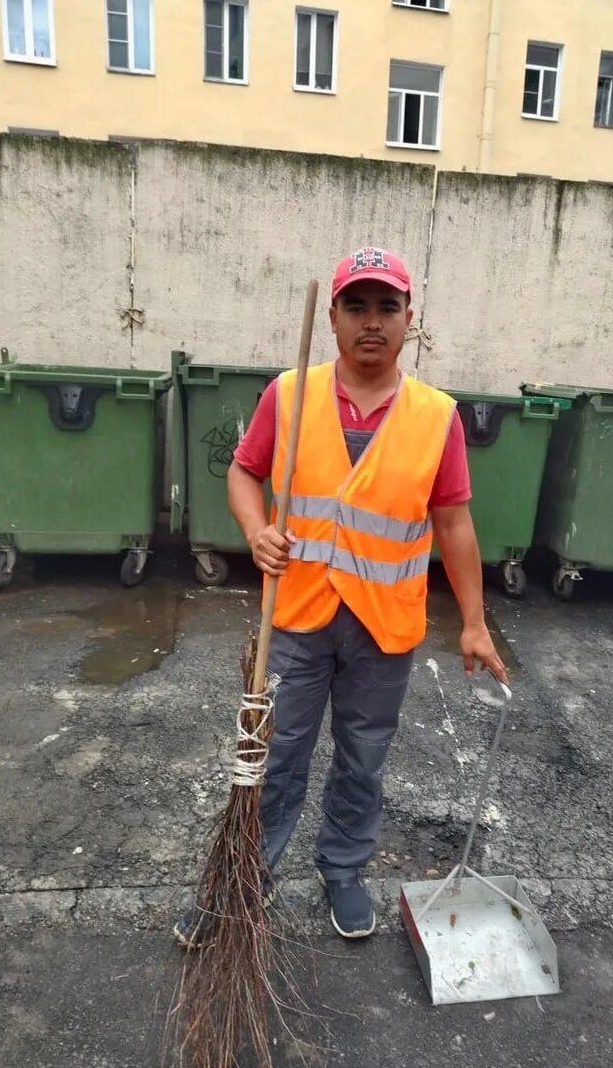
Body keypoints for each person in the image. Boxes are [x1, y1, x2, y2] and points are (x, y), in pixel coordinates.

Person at [176, 245, 509, 945]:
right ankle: (241, 879)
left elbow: (453, 521)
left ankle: (344, 870)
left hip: (383, 629)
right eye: (356, 305)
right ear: (332, 316)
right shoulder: (288, 394)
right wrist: (257, 526)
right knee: (275, 755)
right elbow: (243, 475)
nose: (371, 321)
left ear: (409, 319)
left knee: (363, 759)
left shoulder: (435, 416)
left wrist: (474, 622)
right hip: (296, 616)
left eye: (387, 307)